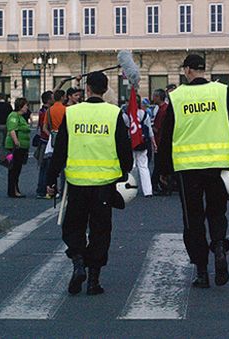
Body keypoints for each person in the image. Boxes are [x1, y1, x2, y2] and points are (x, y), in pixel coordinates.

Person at [159, 54, 229, 288]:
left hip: (187, 168)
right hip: (218, 165)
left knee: (192, 220)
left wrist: (163, 169)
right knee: (217, 212)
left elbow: (167, 135)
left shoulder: (177, 96)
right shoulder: (220, 91)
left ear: (187, 71)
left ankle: (202, 271)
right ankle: (219, 246)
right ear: (204, 70)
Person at [46, 71, 132, 295]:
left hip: (77, 181)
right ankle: (94, 279)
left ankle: (77, 261)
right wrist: (125, 172)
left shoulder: (72, 113)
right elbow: (124, 148)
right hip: (104, 183)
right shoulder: (114, 113)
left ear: (88, 89)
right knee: (100, 231)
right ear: (105, 90)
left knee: (73, 226)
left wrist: (51, 178)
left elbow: (61, 149)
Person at [5, 98, 31, 198]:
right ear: (20, 106)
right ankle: (13, 190)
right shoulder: (14, 116)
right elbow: (12, 129)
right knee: (14, 168)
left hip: (21, 147)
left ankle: (15, 189)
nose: (27, 108)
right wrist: (16, 142)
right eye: (25, 106)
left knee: (16, 169)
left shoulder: (20, 116)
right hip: (15, 147)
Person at [133, 95, 157, 197]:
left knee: (132, 166)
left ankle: (132, 188)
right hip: (142, 142)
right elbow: (149, 130)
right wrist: (154, 143)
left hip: (131, 142)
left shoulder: (126, 115)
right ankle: (148, 191)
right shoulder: (144, 114)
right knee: (144, 166)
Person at [35, 91, 54, 199]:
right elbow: (44, 127)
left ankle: (42, 189)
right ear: (48, 100)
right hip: (45, 141)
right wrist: (52, 136)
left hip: (44, 140)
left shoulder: (43, 110)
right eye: (52, 98)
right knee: (45, 167)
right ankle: (42, 190)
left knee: (44, 167)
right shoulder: (45, 112)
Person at [151, 88, 169, 195]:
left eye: (154, 96)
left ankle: (157, 184)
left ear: (158, 97)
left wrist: (149, 127)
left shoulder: (161, 111)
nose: (153, 98)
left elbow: (157, 128)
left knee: (158, 165)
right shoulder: (164, 108)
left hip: (160, 141)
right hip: (164, 141)